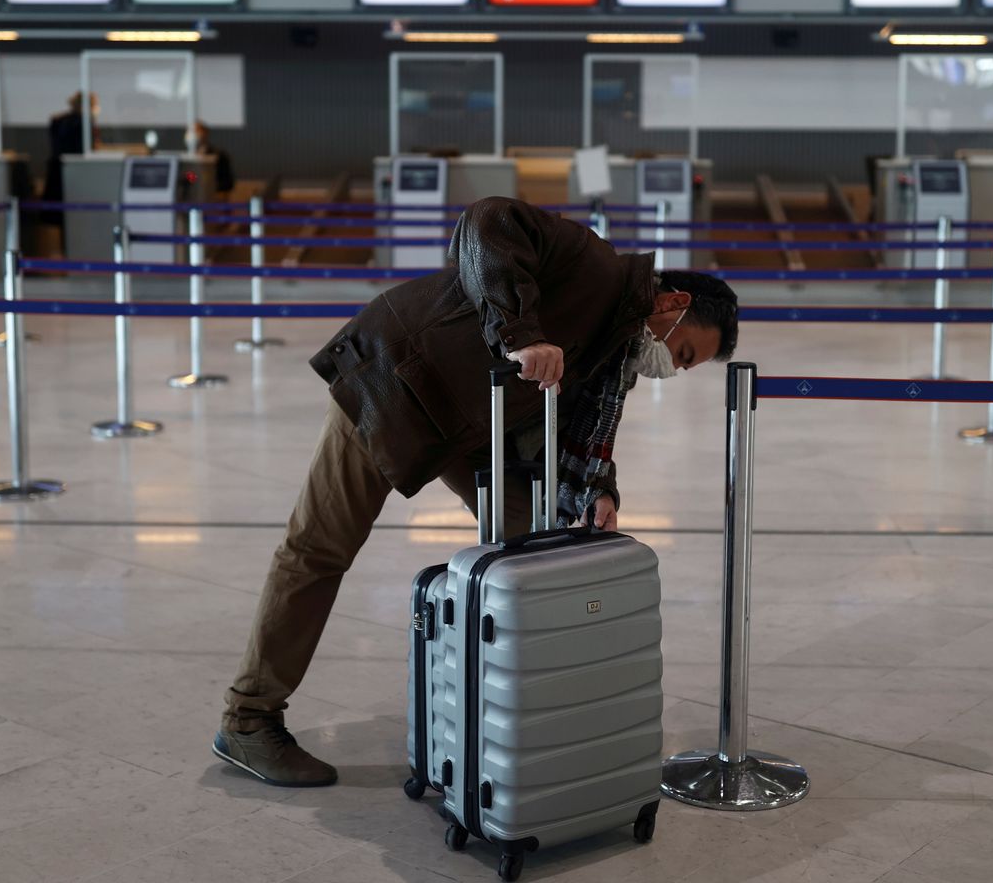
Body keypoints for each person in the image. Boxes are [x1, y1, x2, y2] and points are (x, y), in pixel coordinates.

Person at [214, 195, 740, 787]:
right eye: (682, 352)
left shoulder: (613, 347)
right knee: (318, 549)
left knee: (531, 545)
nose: (671, 367)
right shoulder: (591, 262)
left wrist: (598, 489)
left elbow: (578, 425)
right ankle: (248, 719)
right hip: (396, 385)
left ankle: (520, 710)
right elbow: (487, 221)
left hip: (467, 425)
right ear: (672, 302)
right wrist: (521, 332)